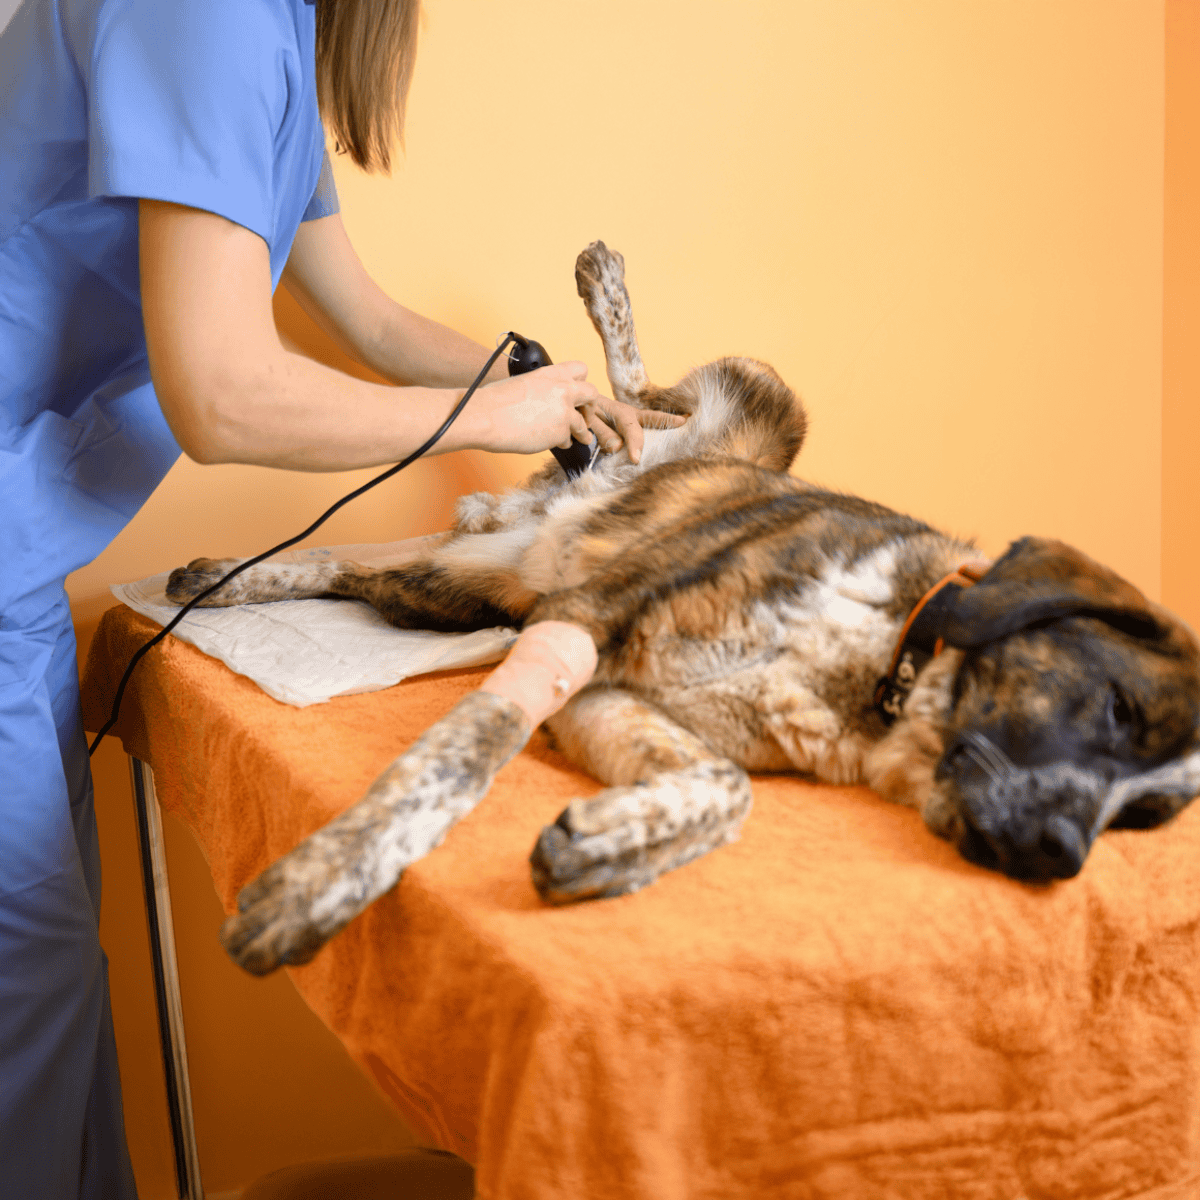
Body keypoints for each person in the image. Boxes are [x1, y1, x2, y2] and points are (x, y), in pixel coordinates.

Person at [0, 1, 675, 1195]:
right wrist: (483, 420)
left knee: (47, 984)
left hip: (21, 559)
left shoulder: (271, 29)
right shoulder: (206, 12)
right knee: (23, 996)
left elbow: (354, 314)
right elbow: (220, 394)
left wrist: (531, 382)